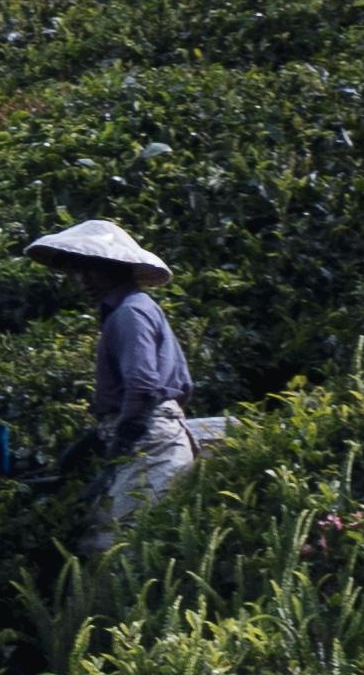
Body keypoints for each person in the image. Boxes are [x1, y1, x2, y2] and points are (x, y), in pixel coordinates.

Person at [24, 218, 224, 550]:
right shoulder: (128, 312)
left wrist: (117, 452)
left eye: (92, 269)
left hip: (151, 439)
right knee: (104, 538)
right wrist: (71, 460)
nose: (83, 280)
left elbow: (143, 390)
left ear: (118, 268)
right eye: (77, 271)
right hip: (145, 432)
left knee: (119, 544)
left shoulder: (130, 313)